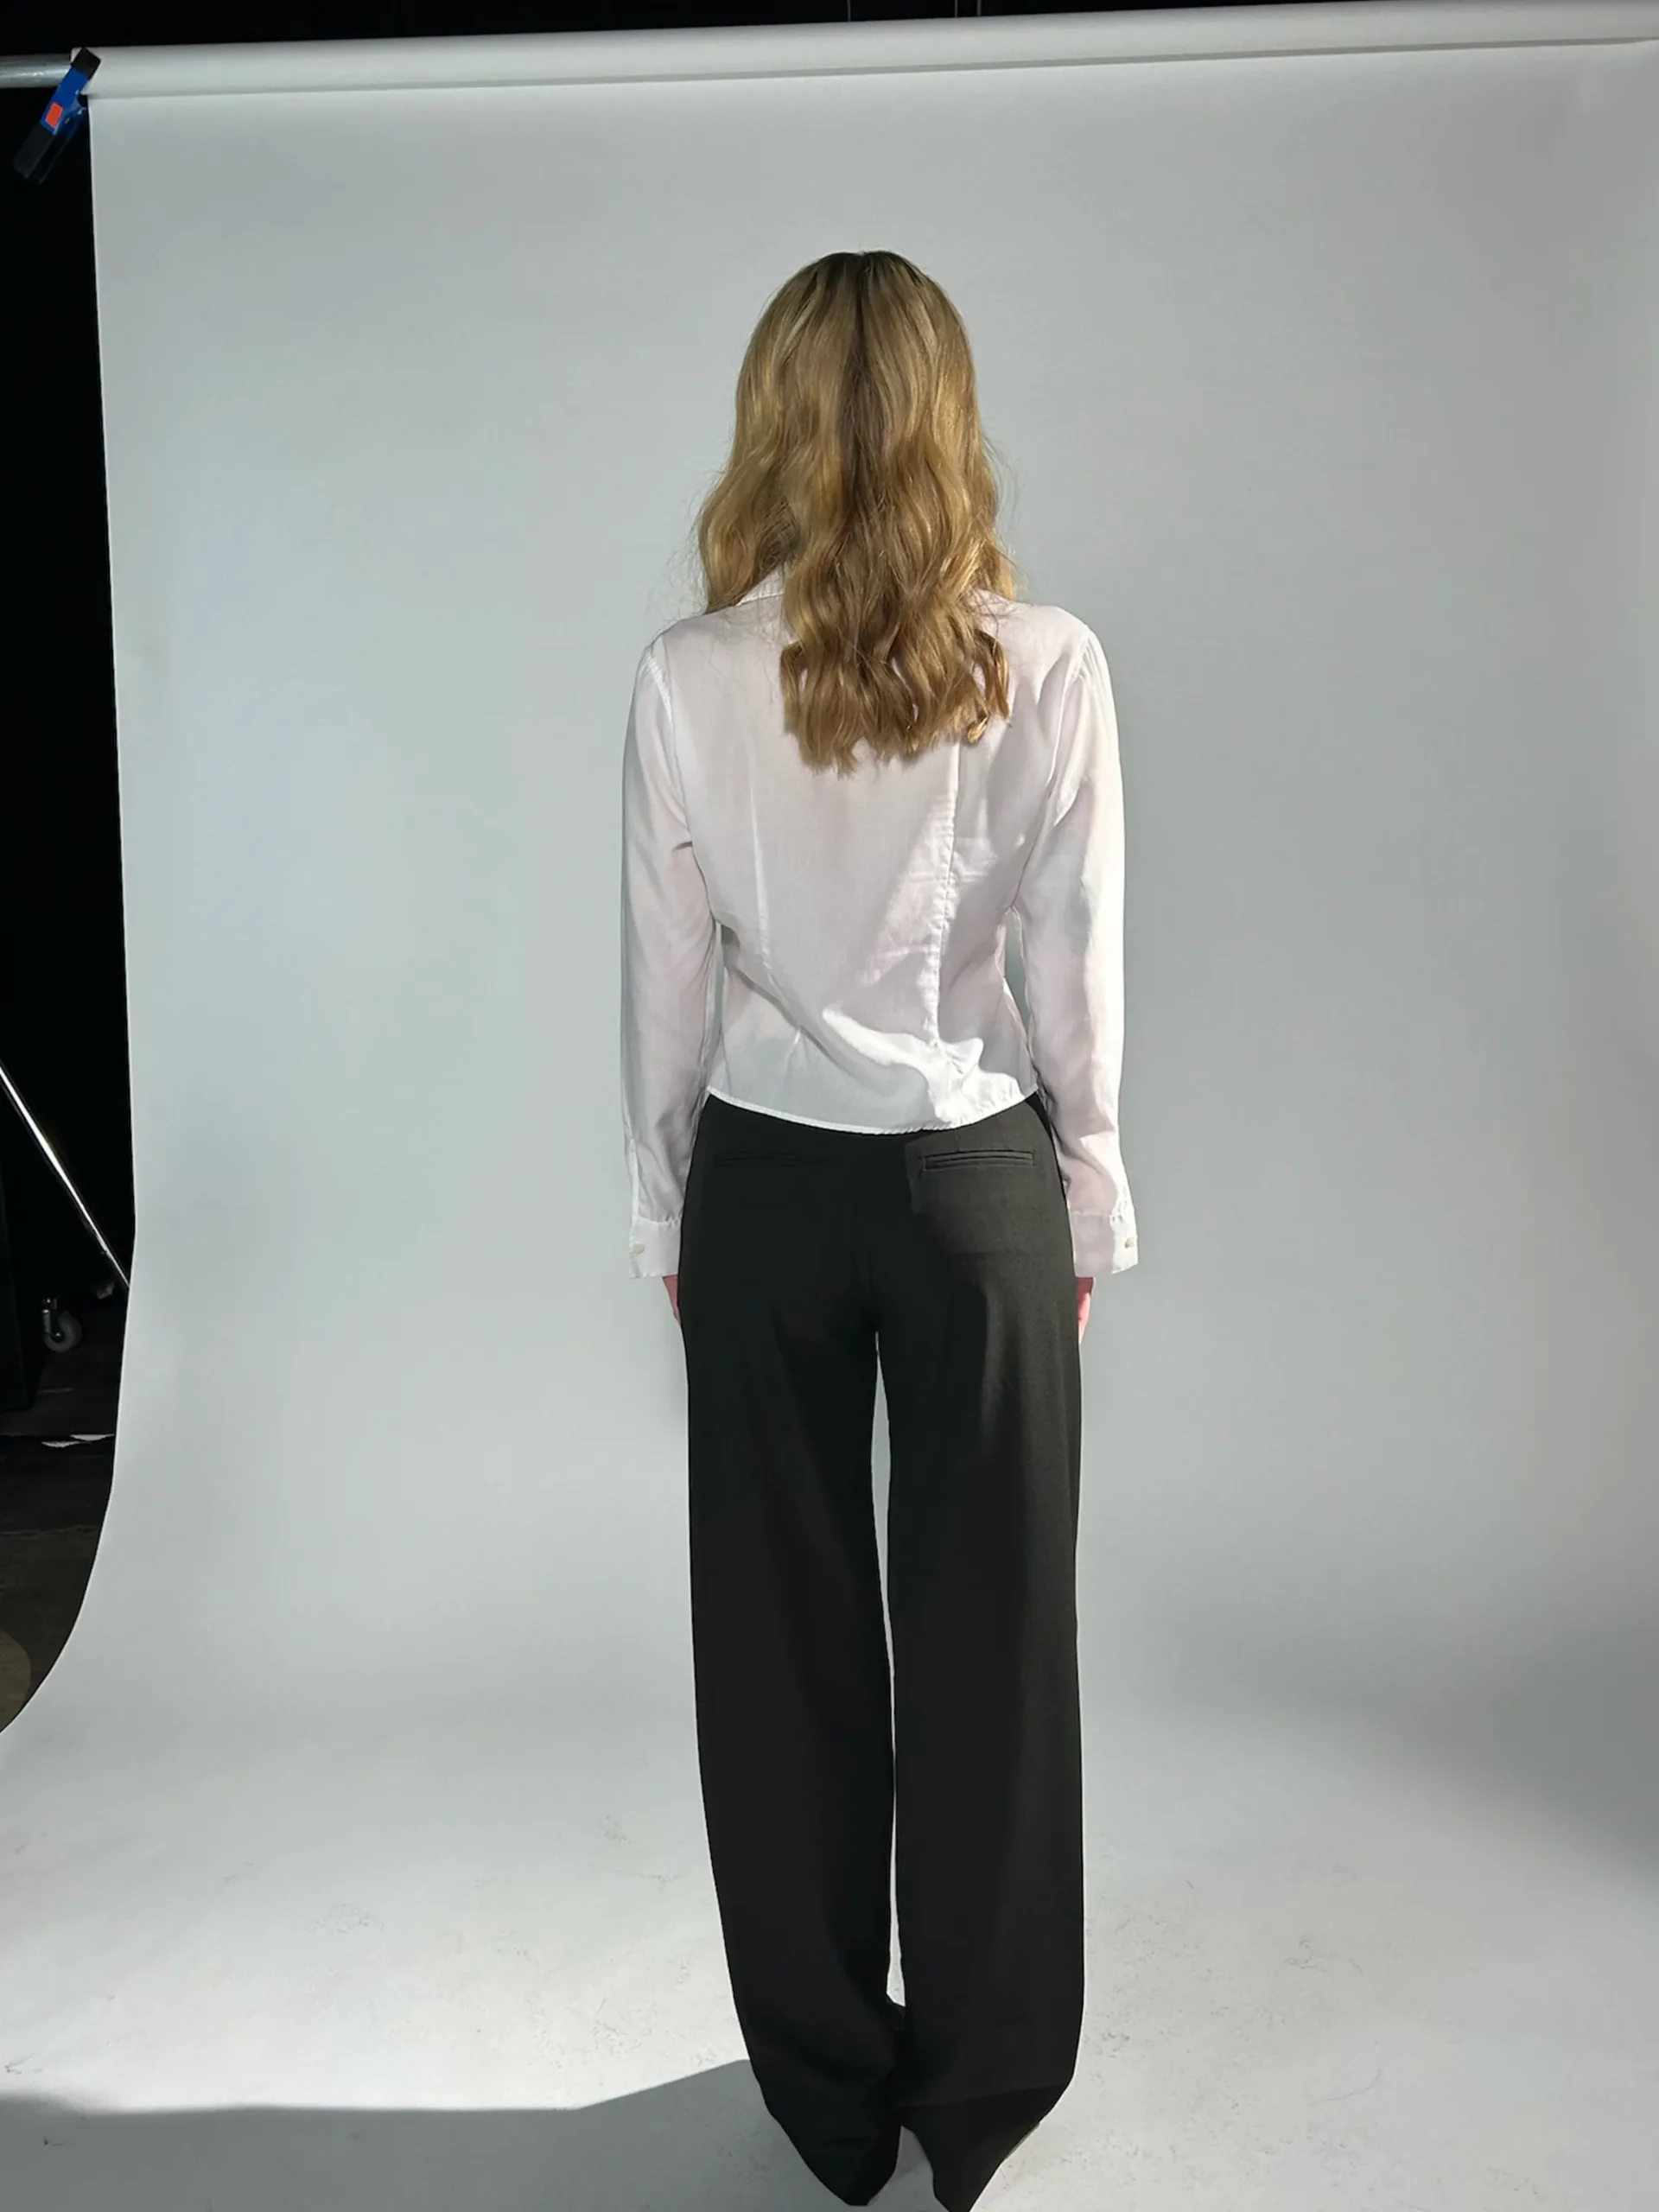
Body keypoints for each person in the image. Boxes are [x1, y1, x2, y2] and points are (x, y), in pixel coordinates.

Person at [620, 250, 1136, 2212]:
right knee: (999, 1642)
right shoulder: (1049, 663)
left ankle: (829, 2103)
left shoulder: (690, 675)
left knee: (779, 1652)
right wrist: (1086, 1201)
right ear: (949, 421)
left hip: (764, 1182)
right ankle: (983, 2098)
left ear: (773, 419)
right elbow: (1074, 970)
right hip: (978, 1184)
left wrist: (667, 1207)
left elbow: (666, 980)